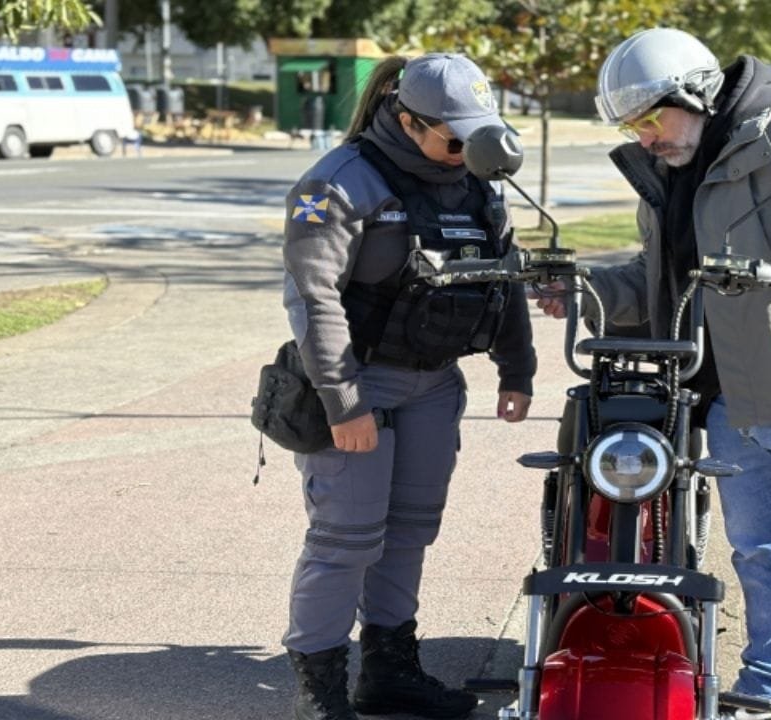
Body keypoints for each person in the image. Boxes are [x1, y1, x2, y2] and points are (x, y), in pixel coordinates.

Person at [534, 28, 771, 720]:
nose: (646, 137)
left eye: (652, 118)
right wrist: (583, 290)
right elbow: (660, 284)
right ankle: (769, 687)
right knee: (759, 554)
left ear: (698, 94)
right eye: (631, 126)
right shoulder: (669, 176)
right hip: (724, 400)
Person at [281, 52, 536, 720]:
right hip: (361, 380)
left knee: (408, 534)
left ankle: (389, 671)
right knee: (344, 540)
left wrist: (518, 368)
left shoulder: (478, 184)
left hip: (435, 384)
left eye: (476, 136)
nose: (466, 151)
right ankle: (321, 689)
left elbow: (502, 277)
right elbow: (314, 300)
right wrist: (344, 402)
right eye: (455, 138)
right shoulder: (341, 182)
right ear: (407, 119)